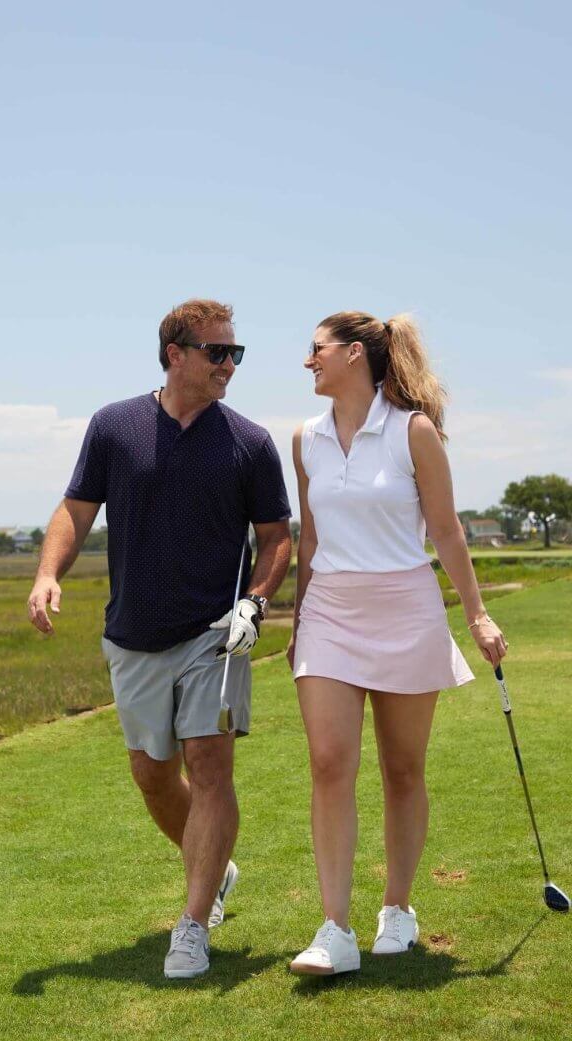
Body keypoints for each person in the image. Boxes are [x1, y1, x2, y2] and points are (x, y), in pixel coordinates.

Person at [28, 298, 291, 980]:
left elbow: (276, 537)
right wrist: (47, 573)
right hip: (134, 636)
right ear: (175, 353)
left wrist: (255, 603)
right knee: (152, 774)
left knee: (209, 766)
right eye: (217, 351)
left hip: (216, 636)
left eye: (236, 352)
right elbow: (74, 508)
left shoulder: (250, 442)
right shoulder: (114, 427)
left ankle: (193, 924)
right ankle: (217, 867)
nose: (229, 363)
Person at [286, 311, 507, 976]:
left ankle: (398, 908)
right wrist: (299, 620)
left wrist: (477, 616)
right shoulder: (305, 438)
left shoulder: (413, 432)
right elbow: (310, 537)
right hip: (329, 611)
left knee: (402, 769)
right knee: (329, 764)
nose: (308, 361)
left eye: (316, 349)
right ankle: (334, 929)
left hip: (406, 609)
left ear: (354, 354)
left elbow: (447, 530)